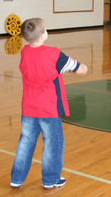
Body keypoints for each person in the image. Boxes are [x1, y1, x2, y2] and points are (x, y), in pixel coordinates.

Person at [10, 18, 88, 189]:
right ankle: (51, 179)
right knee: (53, 143)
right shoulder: (53, 54)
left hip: (29, 106)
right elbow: (79, 69)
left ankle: (16, 178)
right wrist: (83, 68)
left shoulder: (25, 52)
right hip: (48, 107)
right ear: (43, 35)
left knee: (26, 142)